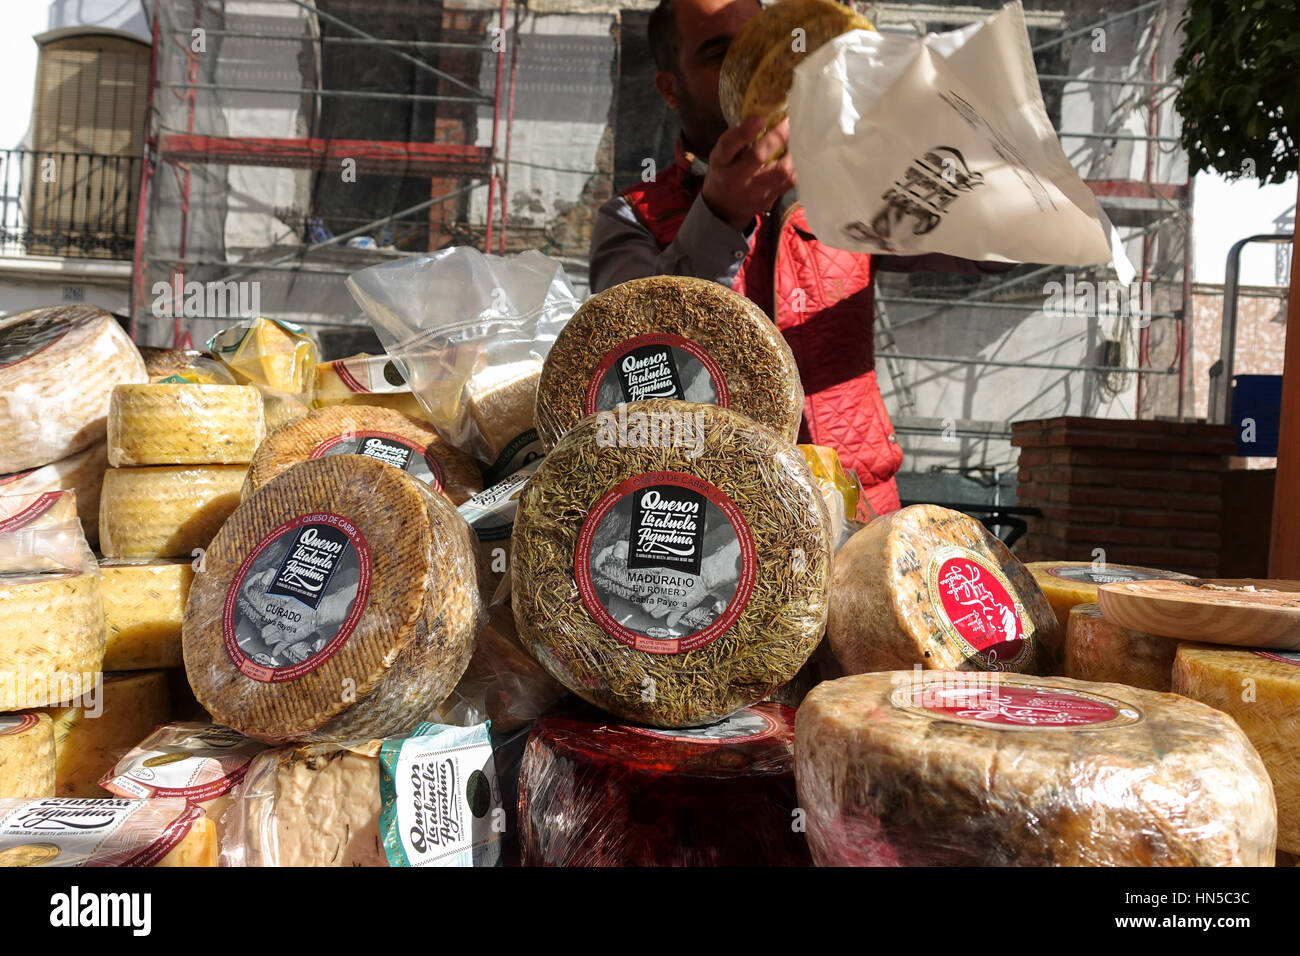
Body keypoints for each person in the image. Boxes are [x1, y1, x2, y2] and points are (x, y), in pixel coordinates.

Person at [589, 0, 1012, 515]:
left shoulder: (842, 186)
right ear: (670, 89)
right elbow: (627, 363)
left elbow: (994, 252)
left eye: (763, 47)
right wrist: (719, 214)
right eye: (721, 52)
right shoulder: (633, 217)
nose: (754, 71)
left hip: (859, 512)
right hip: (712, 523)